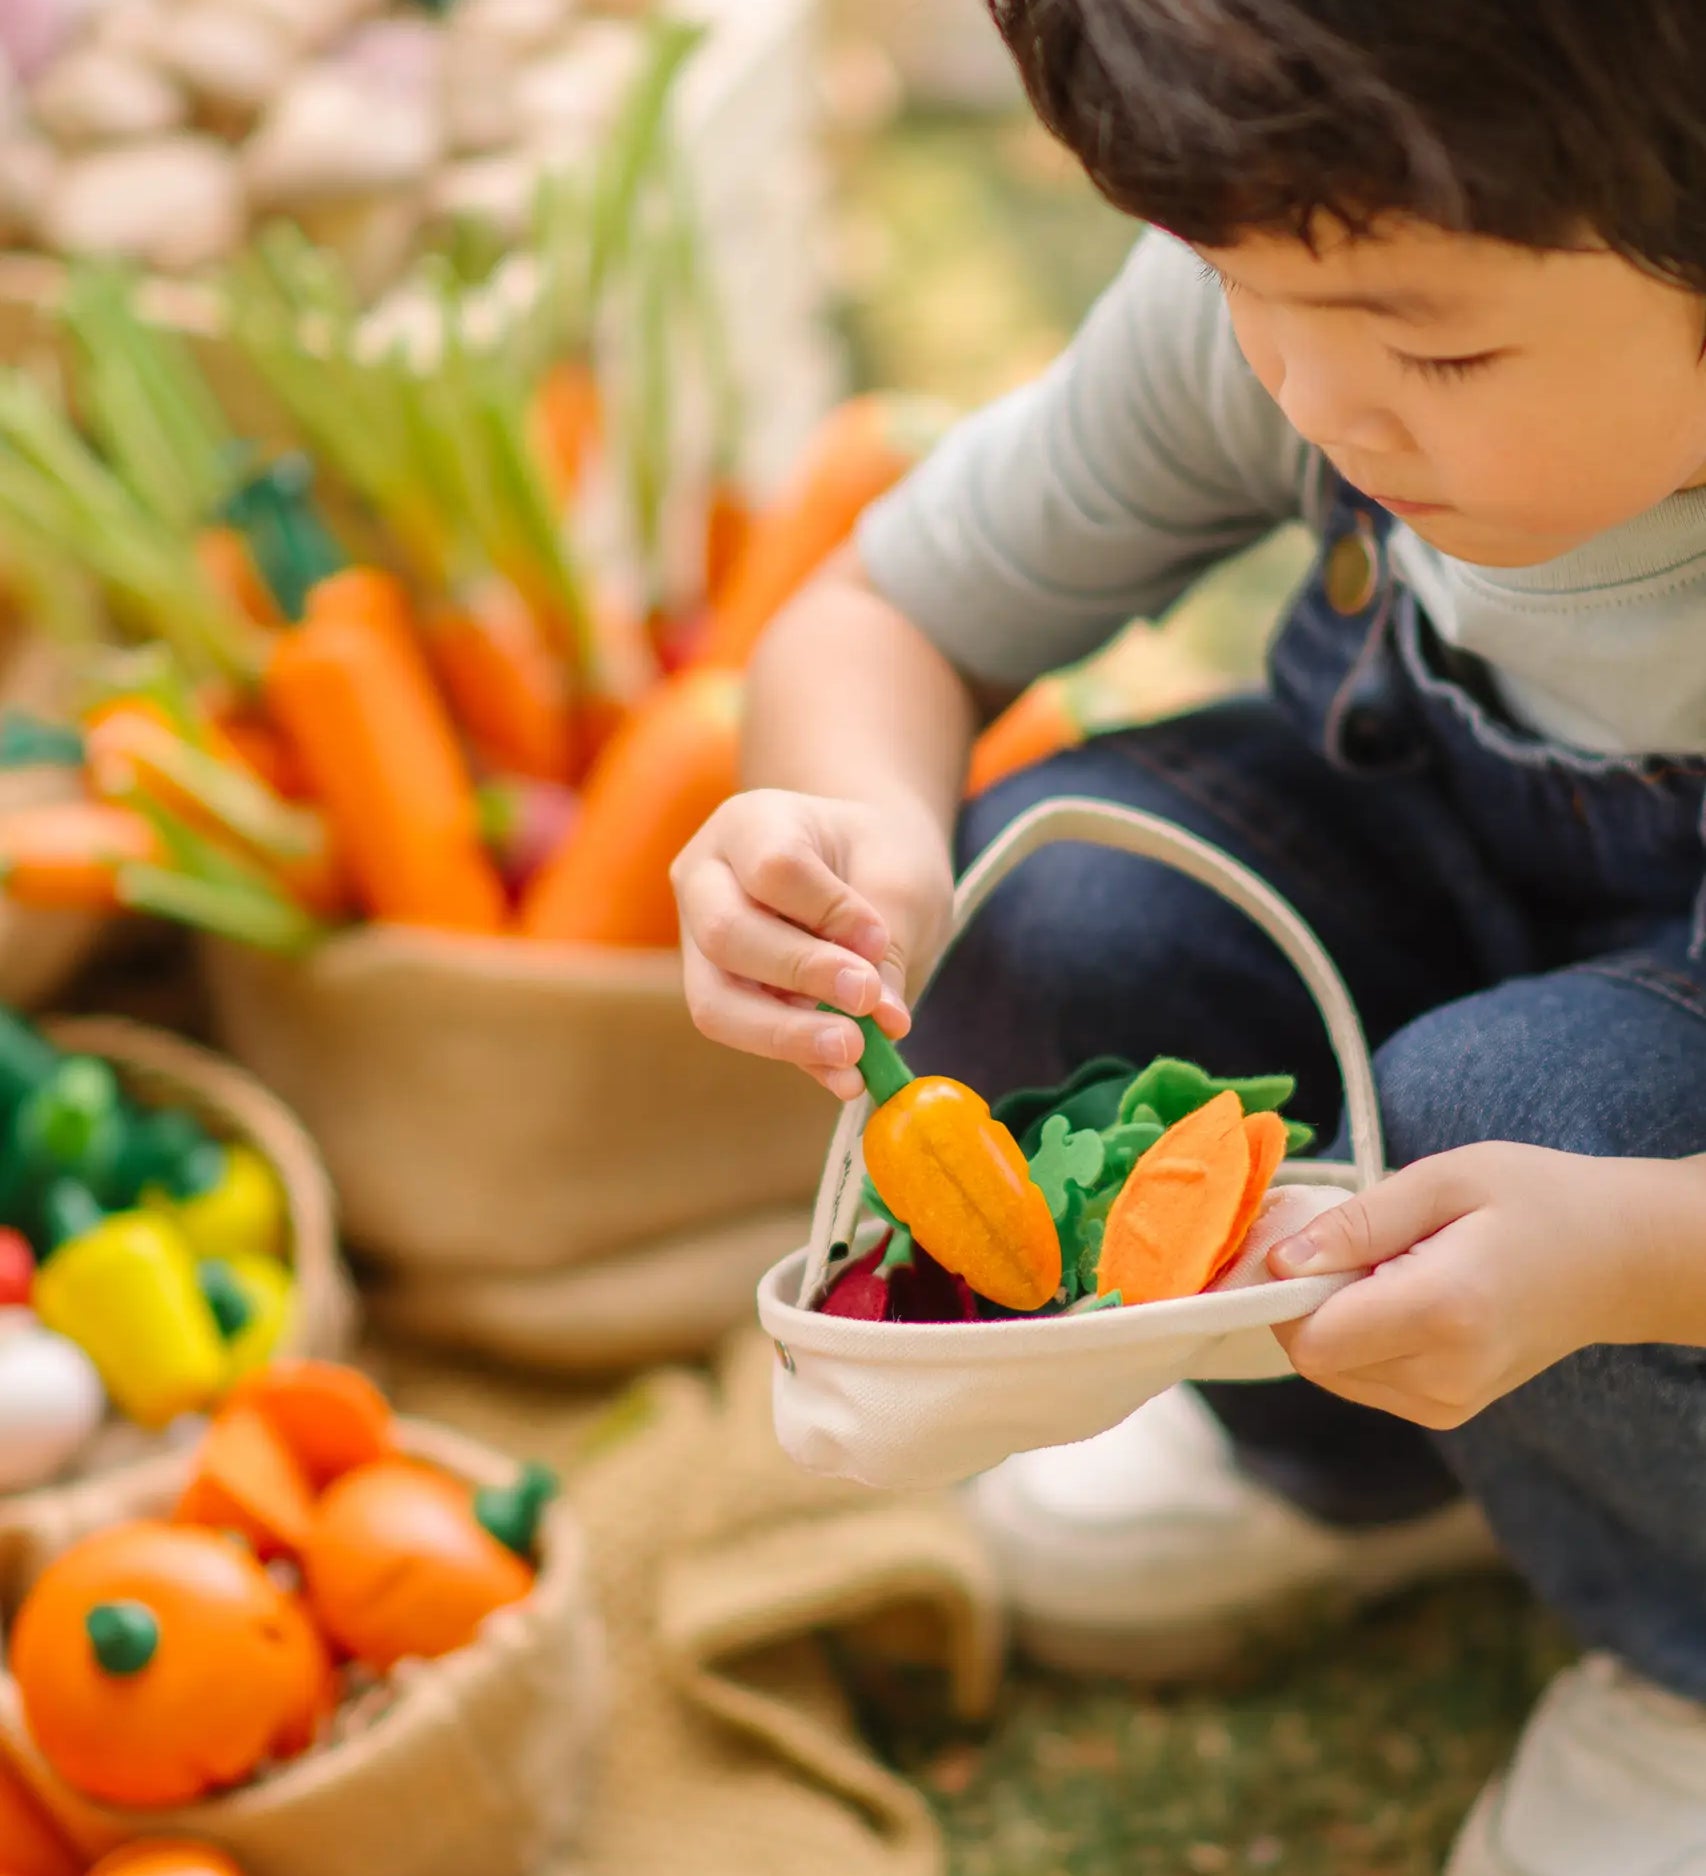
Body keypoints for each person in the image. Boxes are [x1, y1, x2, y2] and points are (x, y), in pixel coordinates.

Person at [670, 4, 1706, 1869]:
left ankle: (1690, 1651)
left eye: (1436, 347)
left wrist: (1631, 1255)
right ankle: (1358, 1471)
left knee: (1515, 1107)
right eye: (1239, 292)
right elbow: (888, 615)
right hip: (1464, 900)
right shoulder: (1328, 264)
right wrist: (855, 834)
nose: (1308, 399)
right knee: (1062, 903)